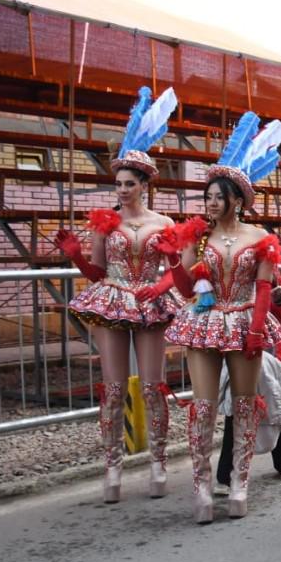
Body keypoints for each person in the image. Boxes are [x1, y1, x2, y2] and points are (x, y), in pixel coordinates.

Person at [159, 112, 281, 523]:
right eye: (208, 197)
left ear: (237, 199)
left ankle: (239, 482)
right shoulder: (196, 237)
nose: (211, 203)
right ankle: (200, 487)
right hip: (206, 321)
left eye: (218, 196)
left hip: (246, 322)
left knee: (246, 405)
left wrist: (256, 331)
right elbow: (184, 288)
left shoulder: (260, 238)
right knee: (203, 405)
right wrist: (172, 261)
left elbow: (265, 288)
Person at [55, 87, 181, 503]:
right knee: (111, 387)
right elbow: (95, 273)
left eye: (129, 183)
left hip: (149, 303)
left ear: (144, 184)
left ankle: (158, 462)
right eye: (118, 183)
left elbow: (173, 270)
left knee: (152, 386)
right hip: (112, 301)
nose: (122, 189)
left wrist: (161, 285)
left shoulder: (164, 222)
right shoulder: (104, 222)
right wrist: (75, 256)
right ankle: (112, 467)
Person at [216, 283, 281, 493]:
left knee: (272, 401)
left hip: (266, 343)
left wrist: (280, 299)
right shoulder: (213, 259)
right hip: (230, 338)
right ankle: (226, 474)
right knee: (234, 404)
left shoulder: (266, 264)